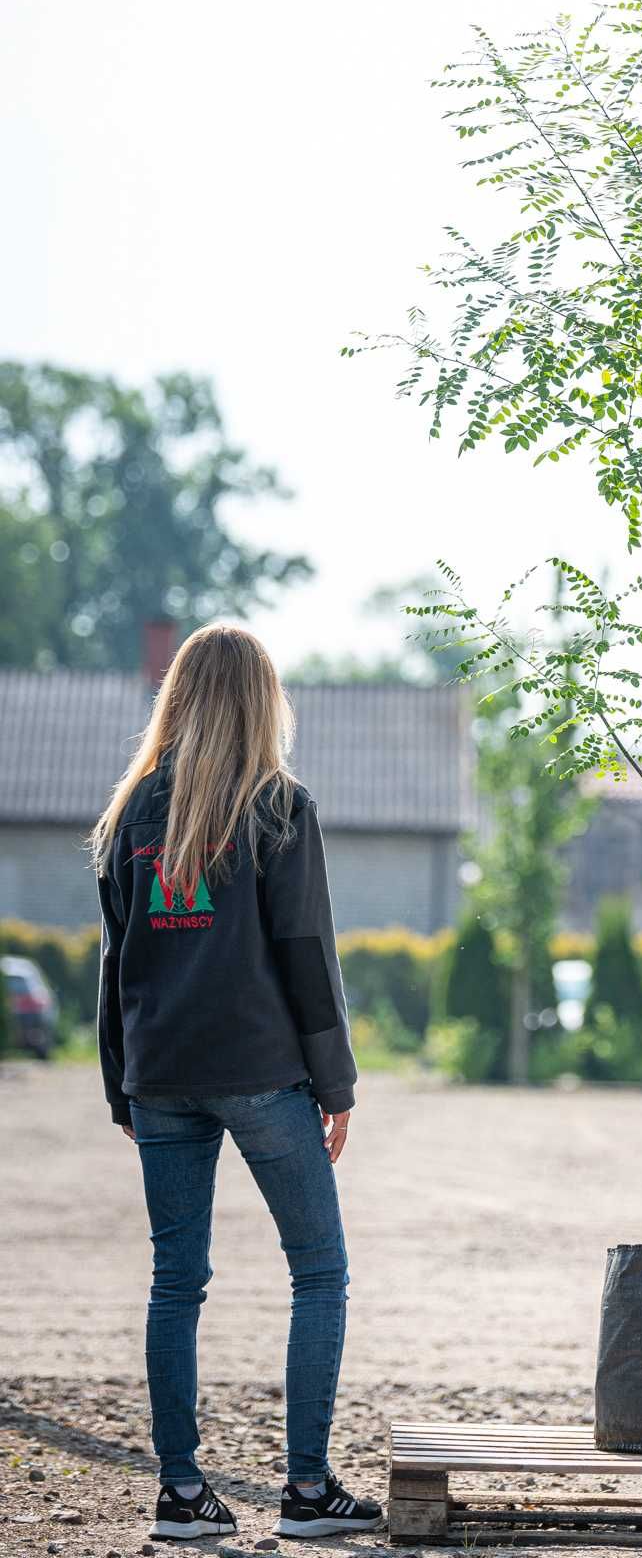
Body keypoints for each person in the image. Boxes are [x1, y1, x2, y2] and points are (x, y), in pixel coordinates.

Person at [93, 621, 382, 1542]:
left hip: (162, 1076)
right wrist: (334, 1083)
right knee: (320, 1274)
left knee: (176, 1283)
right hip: (262, 1075)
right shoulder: (278, 806)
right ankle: (305, 1491)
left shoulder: (129, 814)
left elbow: (115, 964)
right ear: (263, 700)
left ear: (176, 695)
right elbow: (306, 955)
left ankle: (181, 1493)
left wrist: (119, 1085)